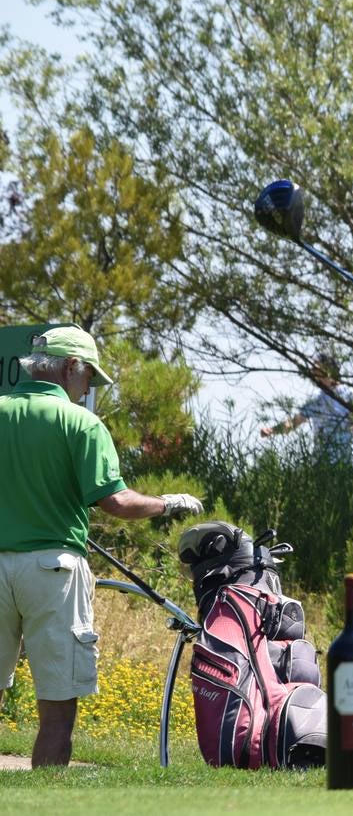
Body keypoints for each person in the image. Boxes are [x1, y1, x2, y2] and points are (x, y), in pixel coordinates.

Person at [0, 325, 204, 767]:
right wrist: (168, 503)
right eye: (88, 376)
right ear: (70, 367)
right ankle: (48, 806)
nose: (88, 387)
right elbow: (118, 502)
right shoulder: (81, 423)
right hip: (53, 572)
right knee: (57, 708)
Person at [260, 354, 353, 462]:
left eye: (316, 367)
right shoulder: (316, 400)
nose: (313, 370)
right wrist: (272, 430)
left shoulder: (348, 396)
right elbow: (294, 422)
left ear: (328, 369)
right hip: (321, 463)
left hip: (344, 463)